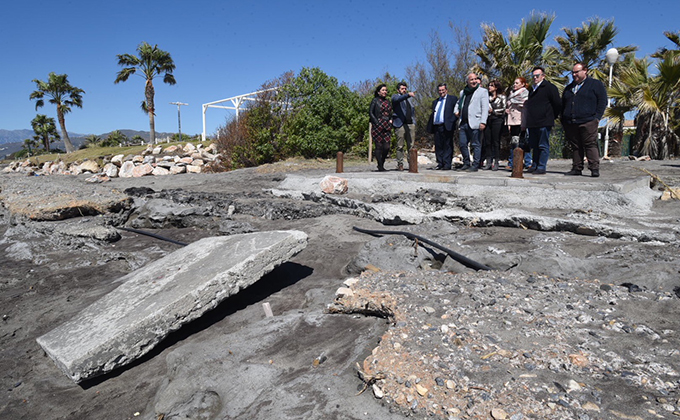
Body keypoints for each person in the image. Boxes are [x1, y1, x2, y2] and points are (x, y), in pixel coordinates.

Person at [561, 62, 608, 177]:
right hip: (571, 122)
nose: (574, 75)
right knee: (576, 145)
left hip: (588, 120)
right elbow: (563, 104)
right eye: (572, 72)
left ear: (585, 71)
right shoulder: (569, 88)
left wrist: (597, 117)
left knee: (590, 144)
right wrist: (563, 118)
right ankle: (577, 168)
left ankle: (594, 168)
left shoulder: (595, 84)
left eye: (577, 72)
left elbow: (602, 101)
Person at [523, 66, 561, 174]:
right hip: (532, 122)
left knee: (543, 145)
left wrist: (551, 116)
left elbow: (557, 103)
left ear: (543, 76)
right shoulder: (532, 89)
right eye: (533, 76)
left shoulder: (549, 87)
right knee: (534, 145)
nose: (535, 78)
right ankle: (534, 165)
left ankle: (541, 166)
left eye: (537, 76)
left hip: (544, 121)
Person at [454, 73, 489, 171]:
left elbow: (485, 107)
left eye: (475, 79)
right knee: (462, 144)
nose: (473, 81)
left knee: (476, 144)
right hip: (463, 122)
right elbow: (458, 103)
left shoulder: (482, 91)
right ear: (467, 81)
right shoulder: (463, 92)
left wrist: (483, 122)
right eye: (471, 80)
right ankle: (466, 163)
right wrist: (456, 111)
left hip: (475, 122)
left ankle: (475, 165)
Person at [426, 83, 458, 170]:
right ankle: (440, 163)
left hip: (447, 125)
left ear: (446, 90)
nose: (441, 92)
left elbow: (457, 111)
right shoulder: (435, 101)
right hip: (437, 126)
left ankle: (447, 163)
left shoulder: (452, 99)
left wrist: (452, 121)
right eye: (439, 90)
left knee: (447, 145)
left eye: (443, 90)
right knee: (438, 145)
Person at [506, 77, 531, 170]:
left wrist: (514, 102)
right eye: (514, 83)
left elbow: (525, 103)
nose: (514, 85)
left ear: (523, 84)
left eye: (517, 83)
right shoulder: (511, 93)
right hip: (512, 120)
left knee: (524, 142)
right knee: (514, 142)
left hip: (521, 119)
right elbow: (508, 104)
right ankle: (512, 162)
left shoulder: (525, 93)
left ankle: (528, 162)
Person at [392, 82, 417, 171]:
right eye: (402, 89)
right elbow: (398, 99)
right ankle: (400, 164)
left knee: (411, 145)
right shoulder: (395, 97)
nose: (404, 90)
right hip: (400, 124)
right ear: (398, 90)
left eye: (405, 89)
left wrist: (414, 121)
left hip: (410, 123)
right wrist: (407, 95)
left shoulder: (409, 99)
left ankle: (412, 163)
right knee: (400, 146)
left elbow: (412, 110)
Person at [483, 80, 506, 170]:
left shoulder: (502, 97)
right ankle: (488, 161)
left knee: (496, 141)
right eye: (489, 86)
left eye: (492, 86)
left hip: (497, 120)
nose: (489, 87)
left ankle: (496, 161)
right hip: (488, 120)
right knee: (487, 141)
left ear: (496, 87)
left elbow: (503, 109)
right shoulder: (486, 98)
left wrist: (494, 111)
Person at [369, 84, 393, 172]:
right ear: (379, 92)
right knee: (378, 146)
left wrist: (391, 120)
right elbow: (371, 112)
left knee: (386, 146)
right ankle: (380, 165)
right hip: (378, 124)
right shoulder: (375, 100)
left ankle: (381, 163)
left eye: (386, 90)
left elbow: (390, 113)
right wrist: (376, 122)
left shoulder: (388, 101)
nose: (384, 92)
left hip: (387, 125)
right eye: (383, 90)